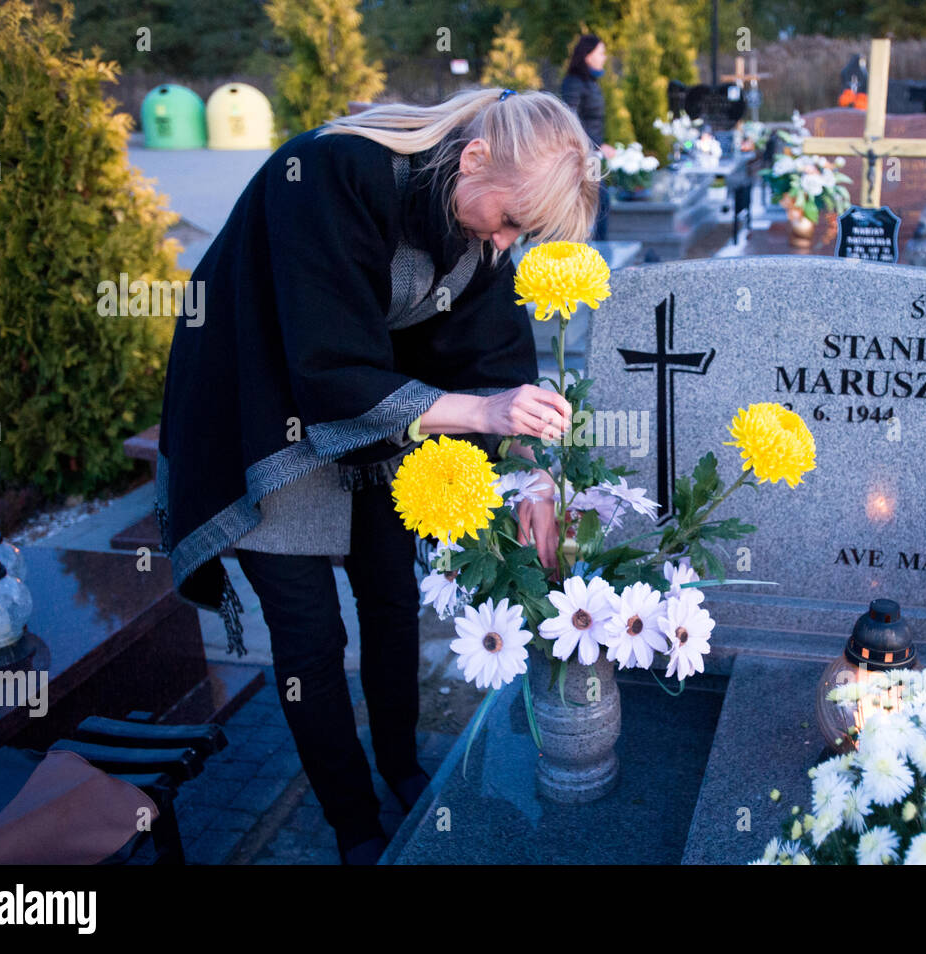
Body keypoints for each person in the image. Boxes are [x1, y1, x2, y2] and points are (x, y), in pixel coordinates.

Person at [154, 87, 598, 864]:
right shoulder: (327, 172)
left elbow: (495, 360)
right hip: (262, 410)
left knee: (393, 600)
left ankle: (401, 768)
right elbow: (323, 366)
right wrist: (483, 414)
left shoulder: (473, 225)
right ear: (472, 160)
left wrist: (529, 473)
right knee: (311, 638)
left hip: (380, 410)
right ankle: (354, 827)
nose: (506, 245)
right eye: (512, 220)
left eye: (521, 232)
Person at [560, 34, 615, 241]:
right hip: (585, 154)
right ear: (587, 55)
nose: (605, 57)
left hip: (594, 154)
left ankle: (599, 249)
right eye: (601, 52)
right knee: (597, 200)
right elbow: (571, 120)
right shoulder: (573, 83)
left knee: (601, 203)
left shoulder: (592, 82)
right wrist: (598, 145)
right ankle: (593, 250)